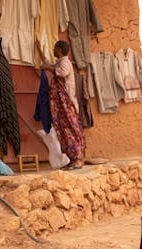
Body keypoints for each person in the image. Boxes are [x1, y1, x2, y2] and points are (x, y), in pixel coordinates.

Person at [35, 39, 85, 169]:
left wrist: (48, 68)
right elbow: (49, 64)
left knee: (71, 130)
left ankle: (78, 159)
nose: (53, 49)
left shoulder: (65, 63)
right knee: (64, 131)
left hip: (67, 105)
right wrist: (39, 49)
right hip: (61, 106)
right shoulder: (59, 63)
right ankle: (72, 159)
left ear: (60, 50)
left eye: (55, 47)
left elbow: (61, 72)